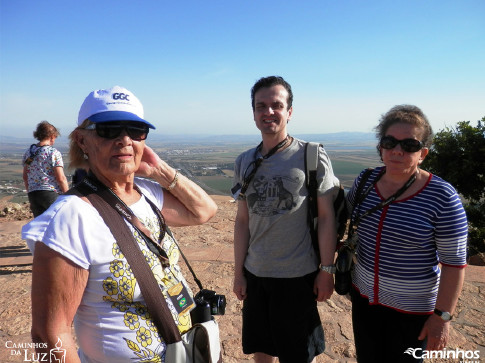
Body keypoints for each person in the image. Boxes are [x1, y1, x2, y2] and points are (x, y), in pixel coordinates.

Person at [22, 86, 218, 362]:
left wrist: (160, 170)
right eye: (109, 129)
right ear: (81, 140)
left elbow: (204, 211)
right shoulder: (71, 217)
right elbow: (48, 334)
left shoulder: (147, 193)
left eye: (136, 130)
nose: (124, 139)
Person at [347, 105, 468, 362]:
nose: (397, 150)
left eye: (409, 145)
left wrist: (442, 316)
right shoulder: (365, 181)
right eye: (390, 142)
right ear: (381, 147)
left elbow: (454, 264)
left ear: (422, 153)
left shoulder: (443, 197)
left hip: (412, 312)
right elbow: (339, 219)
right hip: (364, 300)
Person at [232, 76, 338, 363]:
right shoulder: (244, 161)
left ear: (289, 111)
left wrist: (327, 270)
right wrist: (238, 272)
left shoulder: (311, 156)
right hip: (256, 274)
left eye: (276, 105)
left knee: (298, 354)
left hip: (297, 275)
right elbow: (243, 221)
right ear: (253, 113)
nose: (268, 112)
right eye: (261, 106)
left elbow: (327, 217)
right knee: (262, 350)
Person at [22, 121, 69, 216]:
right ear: (52, 136)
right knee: (56, 223)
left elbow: (25, 176)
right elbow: (61, 178)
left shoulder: (29, 153)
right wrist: (68, 196)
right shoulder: (53, 152)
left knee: (40, 226)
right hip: (50, 193)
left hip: (33, 194)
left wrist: (30, 192)